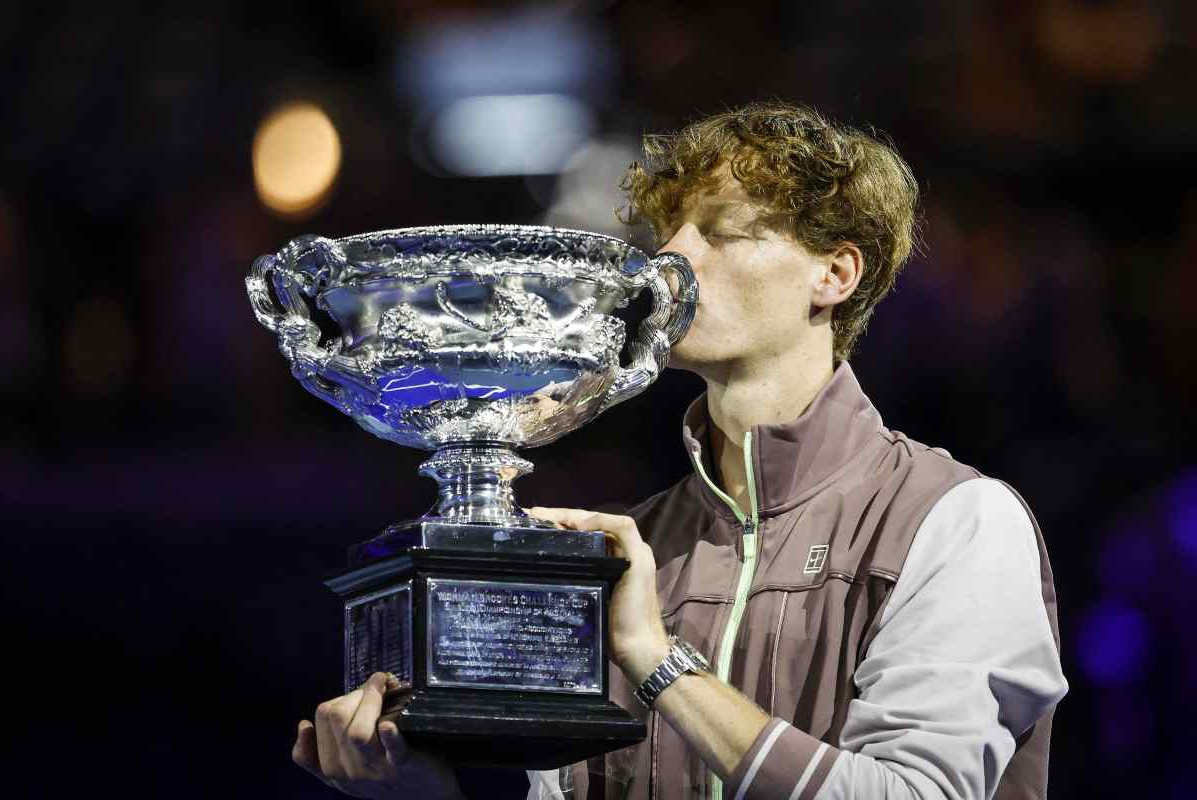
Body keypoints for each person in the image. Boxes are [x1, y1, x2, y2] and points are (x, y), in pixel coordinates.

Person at [292, 101, 1068, 800]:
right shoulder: (637, 553)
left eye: (722, 232)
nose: (670, 264)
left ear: (834, 273)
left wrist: (660, 665)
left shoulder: (956, 519)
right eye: (667, 236)